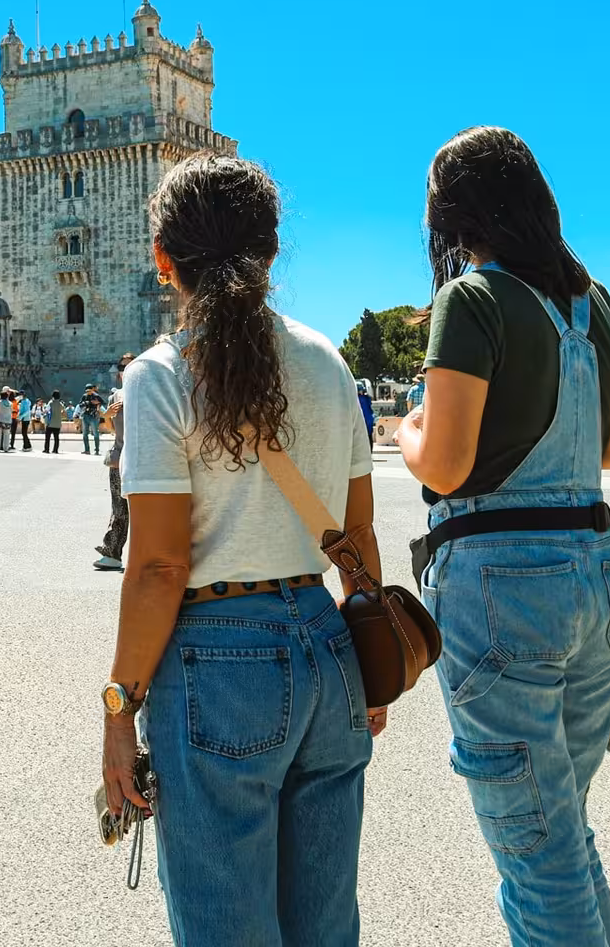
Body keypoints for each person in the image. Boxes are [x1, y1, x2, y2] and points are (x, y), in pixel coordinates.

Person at [104, 153, 381, 946]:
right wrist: (368, 660)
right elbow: (355, 539)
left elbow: (159, 565)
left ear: (164, 260)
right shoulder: (328, 362)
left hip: (218, 662)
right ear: (270, 250)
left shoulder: (161, 376)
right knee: (324, 926)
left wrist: (119, 709)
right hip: (327, 646)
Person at [398, 127, 610, 947]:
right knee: (562, 835)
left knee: (537, 855)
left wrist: (406, 429)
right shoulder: (593, 300)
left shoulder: (472, 299)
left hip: (504, 582)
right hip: (597, 567)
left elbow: (449, 465)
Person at [93, 357, 133, 571]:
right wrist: (106, 416)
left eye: (130, 365)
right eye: (122, 367)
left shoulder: (147, 393)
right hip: (119, 459)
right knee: (119, 509)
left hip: (143, 459)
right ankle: (112, 553)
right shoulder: (115, 396)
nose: (125, 370)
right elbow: (110, 429)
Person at [79, 385, 104, 454]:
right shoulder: (84, 396)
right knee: (85, 434)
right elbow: (80, 404)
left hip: (94, 416)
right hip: (85, 415)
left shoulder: (96, 396)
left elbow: (102, 402)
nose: (88, 392)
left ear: (92, 390)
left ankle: (97, 450)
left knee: (95, 433)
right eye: (87, 391)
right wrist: (86, 403)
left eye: (89, 391)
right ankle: (87, 449)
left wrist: (97, 403)